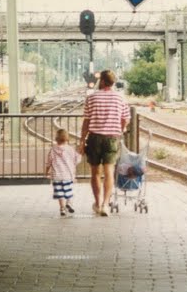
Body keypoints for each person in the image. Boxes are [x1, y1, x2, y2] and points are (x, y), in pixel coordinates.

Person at [78, 69, 130, 216]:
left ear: (102, 81)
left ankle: (98, 203)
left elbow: (86, 122)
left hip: (94, 138)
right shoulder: (120, 98)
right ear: (113, 82)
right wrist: (120, 129)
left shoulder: (92, 98)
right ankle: (106, 205)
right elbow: (125, 119)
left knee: (95, 173)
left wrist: (82, 141)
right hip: (112, 138)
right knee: (109, 173)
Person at [44, 128, 80, 217]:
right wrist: (80, 153)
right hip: (68, 175)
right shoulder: (70, 149)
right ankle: (69, 204)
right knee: (69, 190)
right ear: (67, 139)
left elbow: (49, 162)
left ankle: (62, 208)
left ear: (56, 139)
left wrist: (47, 171)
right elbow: (77, 160)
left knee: (60, 193)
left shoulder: (53, 150)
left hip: (57, 176)